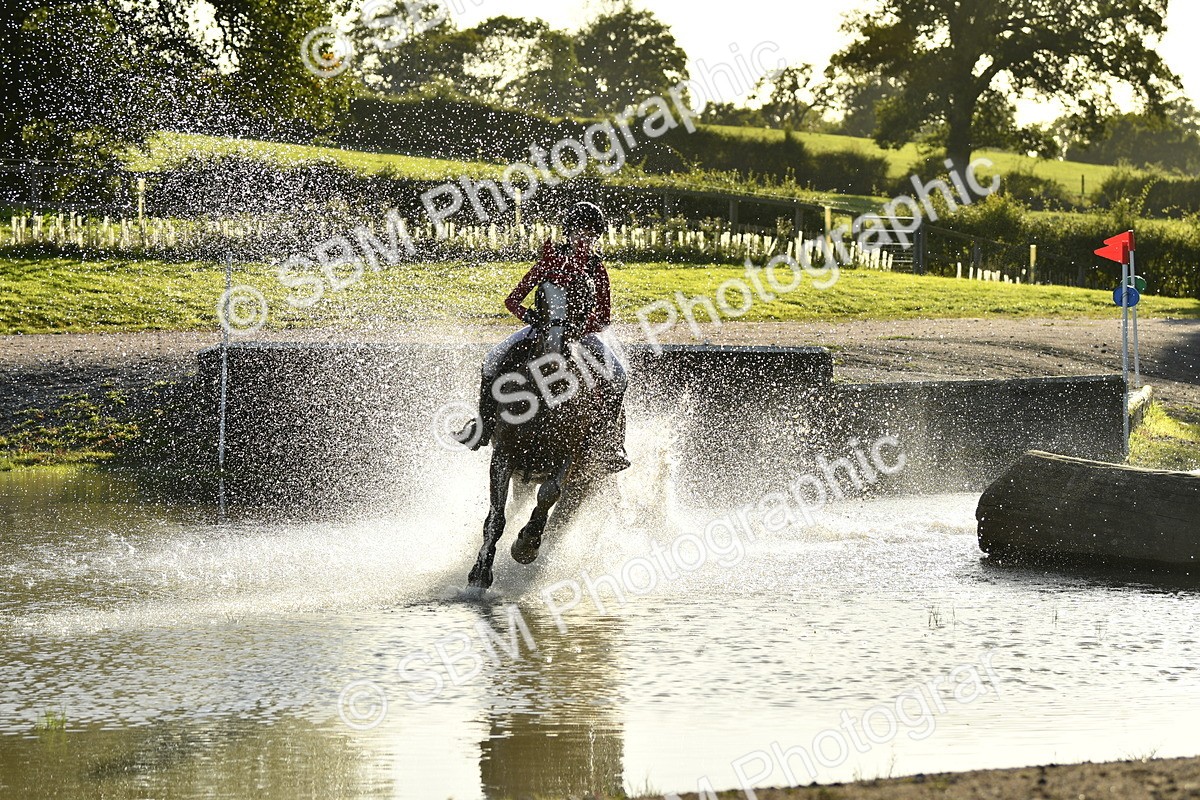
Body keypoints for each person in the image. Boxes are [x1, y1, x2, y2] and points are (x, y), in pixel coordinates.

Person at [454, 201, 629, 470]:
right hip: (540, 328)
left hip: (580, 336)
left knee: (619, 377)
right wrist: (533, 318)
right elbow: (512, 301)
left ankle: (607, 443)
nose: (585, 239)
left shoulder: (596, 269)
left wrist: (579, 326)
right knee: (491, 360)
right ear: (569, 233)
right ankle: (483, 426)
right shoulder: (549, 262)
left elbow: (604, 317)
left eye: (591, 235)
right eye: (580, 233)